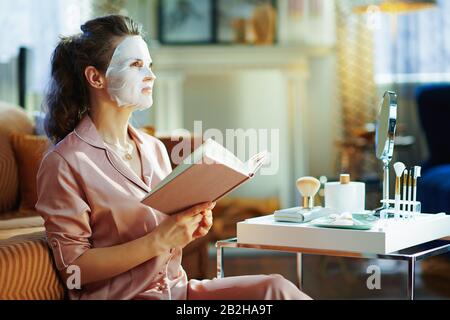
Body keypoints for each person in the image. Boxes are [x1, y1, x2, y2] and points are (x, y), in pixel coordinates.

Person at [35, 14, 311, 300]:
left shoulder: (153, 148)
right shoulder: (64, 163)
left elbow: (166, 233)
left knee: (274, 288)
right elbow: (73, 269)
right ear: (96, 77)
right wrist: (159, 240)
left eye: (150, 66)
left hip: (179, 293)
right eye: (136, 65)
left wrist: (190, 225)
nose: (151, 76)